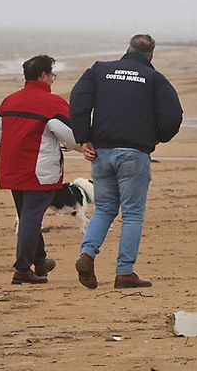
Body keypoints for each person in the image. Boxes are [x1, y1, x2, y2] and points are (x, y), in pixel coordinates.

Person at [69, 34, 183, 289]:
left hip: (102, 151)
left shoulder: (100, 70)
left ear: (127, 49)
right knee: (132, 212)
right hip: (134, 153)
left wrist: (83, 137)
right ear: (151, 55)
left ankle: (86, 254)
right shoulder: (154, 78)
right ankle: (124, 272)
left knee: (105, 208)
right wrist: (156, 137)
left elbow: (78, 101)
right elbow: (173, 115)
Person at [0, 55, 79, 284]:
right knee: (31, 218)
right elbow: (72, 137)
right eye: (52, 75)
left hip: (12, 167)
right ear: (43, 75)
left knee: (27, 215)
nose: (52, 79)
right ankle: (22, 268)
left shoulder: (9, 101)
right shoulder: (53, 103)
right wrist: (85, 149)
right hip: (39, 171)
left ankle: (40, 262)